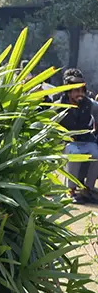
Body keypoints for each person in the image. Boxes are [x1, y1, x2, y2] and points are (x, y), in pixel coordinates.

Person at [57, 68, 98, 204]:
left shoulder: (90, 104)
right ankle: (71, 190)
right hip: (67, 142)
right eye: (76, 90)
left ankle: (88, 189)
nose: (80, 94)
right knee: (74, 153)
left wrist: (94, 131)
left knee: (96, 153)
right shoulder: (58, 105)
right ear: (68, 90)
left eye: (82, 90)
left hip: (86, 140)